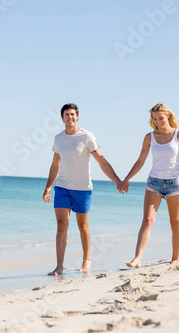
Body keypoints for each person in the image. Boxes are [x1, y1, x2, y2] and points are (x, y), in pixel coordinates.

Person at [43, 103, 126, 276]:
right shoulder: (58, 139)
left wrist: (117, 180)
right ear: (62, 118)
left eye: (73, 114)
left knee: (82, 225)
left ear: (77, 116)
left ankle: (86, 260)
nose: (70, 117)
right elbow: (55, 164)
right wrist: (48, 187)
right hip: (62, 187)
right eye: (66, 114)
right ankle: (59, 266)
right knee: (61, 225)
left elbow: (101, 160)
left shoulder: (87, 136)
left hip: (82, 188)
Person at [121, 103, 179, 268]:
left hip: (175, 183)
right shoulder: (149, 137)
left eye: (160, 118)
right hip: (154, 182)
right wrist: (126, 178)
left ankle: (175, 258)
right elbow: (140, 161)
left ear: (168, 116)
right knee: (147, 220)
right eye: (155, 119)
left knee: (175, 222)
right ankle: (137, 259)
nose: (158, 121)